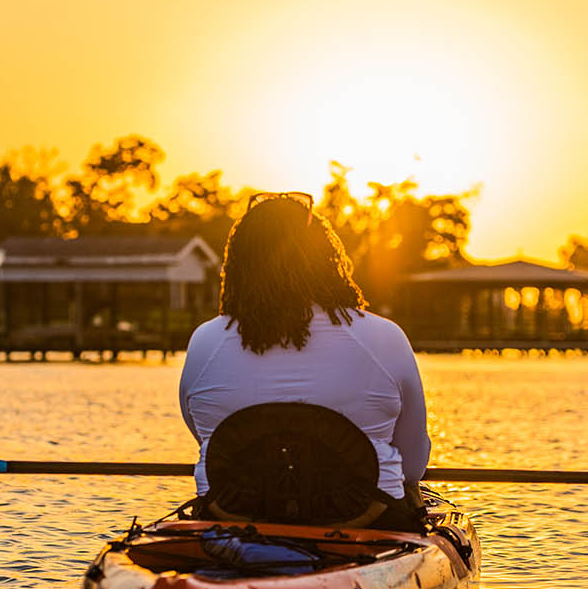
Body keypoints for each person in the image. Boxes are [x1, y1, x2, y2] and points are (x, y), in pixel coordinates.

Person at [179, 192, 431, 530]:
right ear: (326, 258)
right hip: (367, 521)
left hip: (233, 517)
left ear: (239, 264)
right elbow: (412, 468)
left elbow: (210, 440)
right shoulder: (385, 337)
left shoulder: (205, 341)